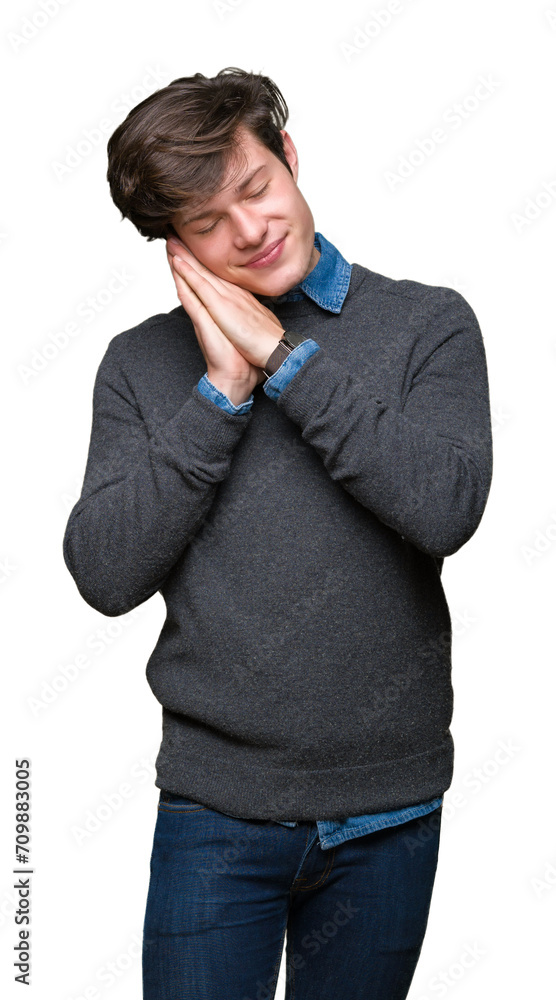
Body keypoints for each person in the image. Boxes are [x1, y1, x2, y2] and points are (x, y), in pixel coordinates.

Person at [62, 67, 493, 999]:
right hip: (216, 810)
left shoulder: (429, 326)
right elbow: (102, 572)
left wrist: (283, 362)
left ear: (289, 160)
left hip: (390, 808)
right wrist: (220, 392)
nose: (250, 230)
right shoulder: (141, 366)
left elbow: (445, 508)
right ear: (173, 245)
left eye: (256, 190)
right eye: (209, 221)